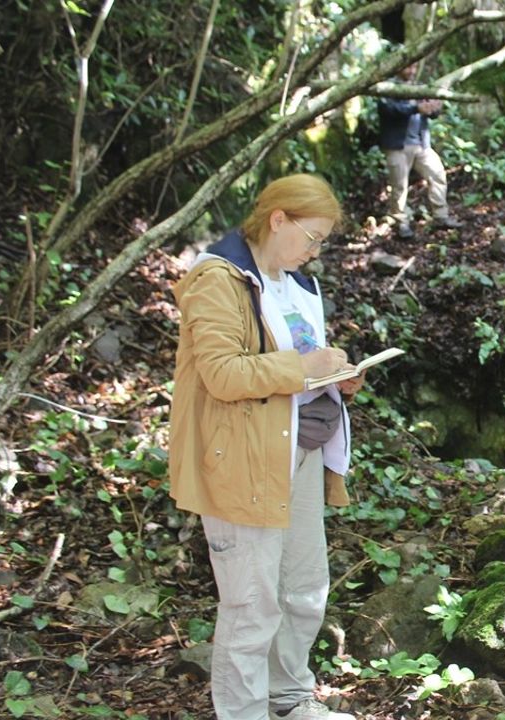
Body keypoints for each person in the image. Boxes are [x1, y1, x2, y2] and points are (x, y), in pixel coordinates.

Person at [168, 174, 362, 720]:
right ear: (278, 218)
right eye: (313, 236)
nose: (316, 250)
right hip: (243, 462)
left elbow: (297, 367)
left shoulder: (294, 283)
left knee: (304, 591)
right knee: (252, 604)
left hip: (299, 455)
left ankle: (290, 701)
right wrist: (302, 368)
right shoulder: (218, 279)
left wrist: (336, 374)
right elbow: (222, 374)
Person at [378, 64, 463, 240]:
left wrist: (435, 106)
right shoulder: (388, 87)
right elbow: (389, 110)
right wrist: (415, 108)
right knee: (399, 185)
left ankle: (441, 216)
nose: (412, 71)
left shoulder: (420, 88)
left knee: (437, 173)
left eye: (414, 68)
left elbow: (430, 112)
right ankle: (401, 221)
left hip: (421, 144)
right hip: (398, 146)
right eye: (408, 67)